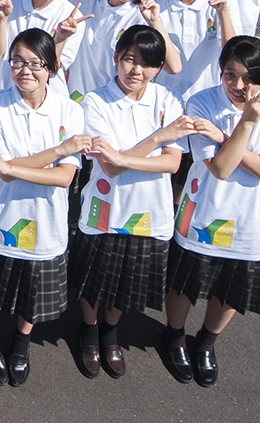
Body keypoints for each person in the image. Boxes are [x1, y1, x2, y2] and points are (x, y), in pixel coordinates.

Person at [164, 36, 260, 387]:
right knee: (186, 280)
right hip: (205, 209)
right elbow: (221, 168)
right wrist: (245, 128)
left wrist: (227, 135)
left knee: (232, 285)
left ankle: (206, 342)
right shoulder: (201, 103)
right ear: (220, 72)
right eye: (230, 75)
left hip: (253, 216)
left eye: (249, 77)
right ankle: (174, 335)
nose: (239, 85)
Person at [0, 28, 88, 387]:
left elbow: (63, 177)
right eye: (17, 61)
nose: (25, 71)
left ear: (51, 67)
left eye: (35, 63)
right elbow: (2, 170)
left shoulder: (70, 110)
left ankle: (21, 342)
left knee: (33, 288)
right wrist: (59, 151)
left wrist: (13, 168)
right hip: (0, 211)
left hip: (45, 217)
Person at [71, 25, 193, 379]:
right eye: (129, 59)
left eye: (147, 64)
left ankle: (110, 331)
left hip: (150, 211)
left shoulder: (169, 101)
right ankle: (89, 329)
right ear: (116, 57)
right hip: (106, 208)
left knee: (128, 279)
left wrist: (125, 157)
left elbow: (171, 163)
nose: (136, 70)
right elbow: (108, 167)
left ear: (158, 68)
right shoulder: (95, 102)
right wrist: (158, 138)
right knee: (95, 275)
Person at [152, 0, 239, 203]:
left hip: (206, 105)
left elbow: (233, 55)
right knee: (163, 175)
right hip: (164, 104)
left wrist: (222, 13)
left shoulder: (226, 4)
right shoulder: (156, 3)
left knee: (194, 180)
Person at [61, 0, 182, 104]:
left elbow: (174, 67)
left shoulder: (145, 14)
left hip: (111, 104)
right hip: (75, 97)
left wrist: (154, 22)